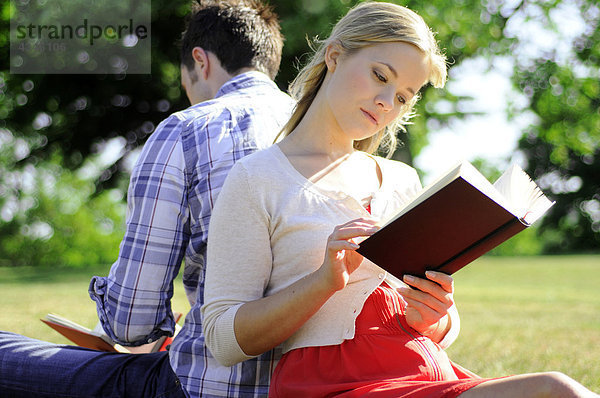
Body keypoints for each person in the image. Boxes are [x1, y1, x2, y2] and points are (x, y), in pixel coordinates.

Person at [201, 2, 599, 397]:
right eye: (380, 76)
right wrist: (323, 281)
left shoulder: (401, 179)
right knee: (554, 390)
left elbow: (443, 328)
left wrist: (437, 315)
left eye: (405, 97)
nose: (387, 102)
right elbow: (222, 339)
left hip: (426, 374)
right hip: (337, 383)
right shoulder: (258, 178)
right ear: (335, 55)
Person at [0, 1, 295, 397]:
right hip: (305, 380)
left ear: (200, 62)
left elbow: (132, 324)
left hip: (200, 385)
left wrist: (141, 325)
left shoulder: (188, 129)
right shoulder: (324, 132)